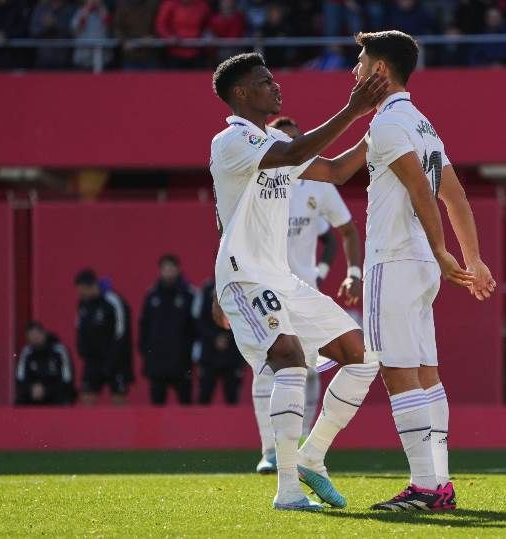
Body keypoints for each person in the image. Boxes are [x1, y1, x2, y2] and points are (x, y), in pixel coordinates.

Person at [209, 52, 387, 510]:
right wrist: (353, 108)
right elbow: (293, 154)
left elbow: (336, 171)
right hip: (245, 279)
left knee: (362, 356)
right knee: (288, 358)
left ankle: (311, 456)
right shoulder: (231, 141)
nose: (276, 86)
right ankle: (287, 489)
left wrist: (380, 124)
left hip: (281, 279)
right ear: (241, 93)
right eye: (265, 81)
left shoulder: (273, 140)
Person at [347, 30, 496, 511]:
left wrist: (443, 250)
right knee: (427, 374)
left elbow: (419, 190)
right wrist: (473, 258)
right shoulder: (421, 123)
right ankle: (440, 483)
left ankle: (424, 487)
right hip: (418, 267)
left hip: (394, 259)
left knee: (398, 373)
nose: (354, 71)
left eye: (360, 62)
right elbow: (455, 196)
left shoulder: (388, 123)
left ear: (380, 70)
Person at [248, 115, 364, 474]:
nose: (291, 145)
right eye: (283, 140)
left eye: (296, 139)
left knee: (309, 370)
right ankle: (269, 450)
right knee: (266, 367)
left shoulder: (316, 184)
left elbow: (346, 231)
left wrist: (351, 273)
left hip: (304, 289)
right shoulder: (260, 178)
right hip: (266, 288)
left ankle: (300, 446)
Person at [139, 254, 197, 405]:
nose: (168, 272)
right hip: (157, 361)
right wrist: (145, 351)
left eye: (171, 268)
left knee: (186, 407)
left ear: (178, 270)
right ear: (160, 271)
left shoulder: (189, 294)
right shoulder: (151, 295)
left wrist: (192, 352)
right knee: (156, 408)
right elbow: (144, 326)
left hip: (182, 360)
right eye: (165, 269)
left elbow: (196, 327)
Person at [75, 268, 130, 405]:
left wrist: (113, 358)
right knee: (86, 397)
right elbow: (79, 328)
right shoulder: (83, 304)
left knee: (118, 399)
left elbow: (121, 332)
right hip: (93, 361)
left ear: (92, 286)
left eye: (83, 291)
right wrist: (83, 350)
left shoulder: (113, 301)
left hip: (115, 360)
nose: (81, 295)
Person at [193, 278, 245, 404]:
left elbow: (245, 318)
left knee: (232, 397)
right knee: (204, 396)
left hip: (233, 352)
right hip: (209, 353)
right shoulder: (206, 289)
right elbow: (198, 319)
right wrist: (214, 337)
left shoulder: (242, 288)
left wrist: (228, 337)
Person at [15, 322, 76, 405]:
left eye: (36, 335)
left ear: (44, 334)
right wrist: (31, 389)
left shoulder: (59, 351)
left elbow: (67, 380)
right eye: (31, 336)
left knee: (65, 398)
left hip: (56, 394)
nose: (34, 338)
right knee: (19, 401)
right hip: (32, 395)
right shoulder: (26, 352)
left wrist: (46, 391)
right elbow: (20, 379)